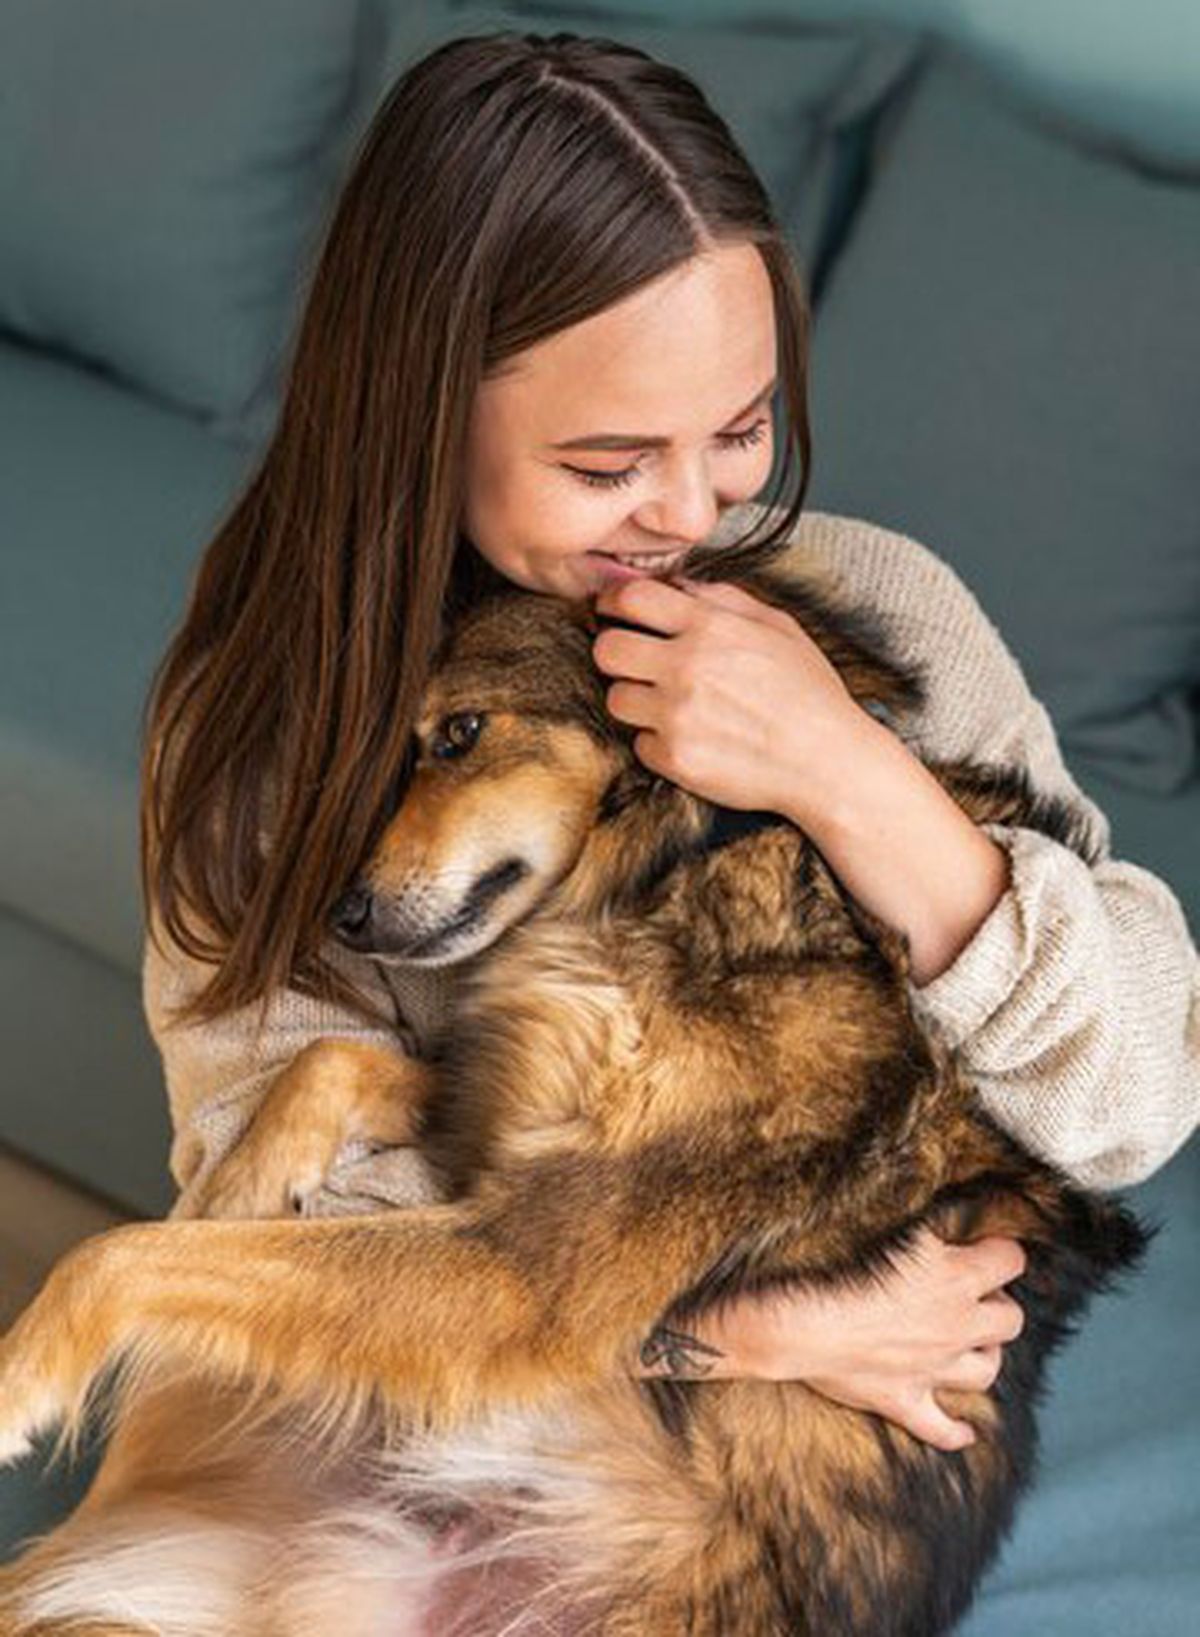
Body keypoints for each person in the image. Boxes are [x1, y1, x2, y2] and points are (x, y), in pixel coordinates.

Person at [140, 30, 1198, 1467]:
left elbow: (1138, 1100)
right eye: (607, 464)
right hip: (443, 1429)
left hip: (747, 1503)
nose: (689, 516)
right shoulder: (267, 723)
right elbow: (265, 1218)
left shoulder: (883, 612)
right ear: (422, 412)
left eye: (742, 430)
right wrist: (766, 1329)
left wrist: (850, 773)